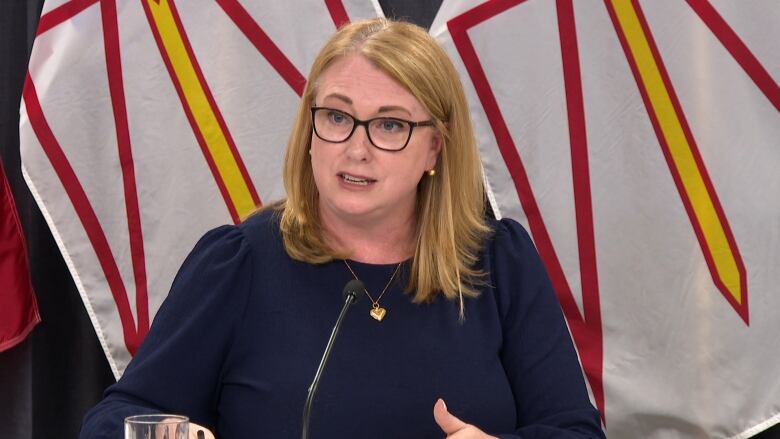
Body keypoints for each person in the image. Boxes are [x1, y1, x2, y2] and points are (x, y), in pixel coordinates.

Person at [81, 17, 605, 439]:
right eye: (337, 117)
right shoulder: (239, 263)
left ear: (436, 147)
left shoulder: (498, 264)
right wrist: (173, 433)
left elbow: (575, 431)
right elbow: (121, 416)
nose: (357, 148)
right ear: (310, 129)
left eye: (391, 125)